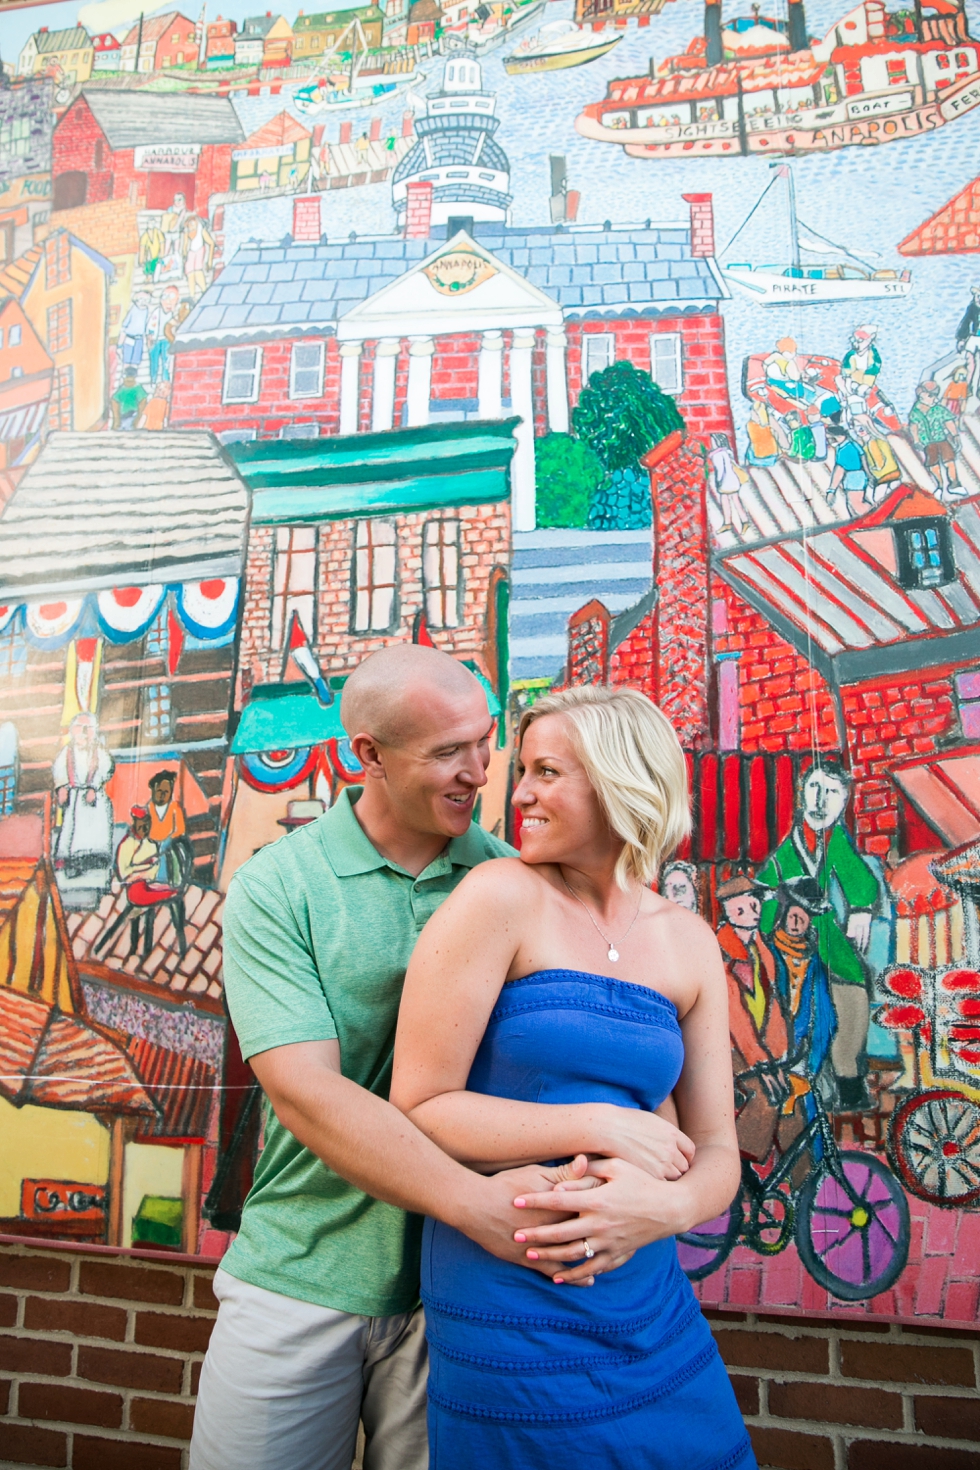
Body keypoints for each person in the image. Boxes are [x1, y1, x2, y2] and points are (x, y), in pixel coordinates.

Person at [191, 649, 693, 1470]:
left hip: (462, 1295)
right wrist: (471, 1202)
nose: (479, 772)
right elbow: (305, 1092)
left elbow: (612, 1054)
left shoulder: (516, 877)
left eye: (484, 742)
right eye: (445, 753)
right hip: (305, 1271)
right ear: (369, 756)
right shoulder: (279, 886)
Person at [390, 685, 753, 1469]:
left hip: (649, 1295)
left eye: (545, 771)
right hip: (509, 1288)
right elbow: (419, 1105)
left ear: (620, 782)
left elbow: (719, 1150)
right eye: (521, 770)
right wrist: (598, 1124)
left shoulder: (688, 942)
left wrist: (665, 1210)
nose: (516, 792)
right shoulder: (498, 899)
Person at [756, 759, 878, 1112]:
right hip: (788, 949)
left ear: (844, 801)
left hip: (829, 943)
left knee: (853, 997)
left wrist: (861, 909)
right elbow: (763, 903)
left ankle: (849, 1083)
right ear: (802, 795)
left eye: (833, 792)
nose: (821, 800)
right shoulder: (783, 855)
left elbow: (861, 880)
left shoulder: (834, 840)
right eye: (814, 788)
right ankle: (800, 1086)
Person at [716, 873, 796, 1165]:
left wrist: (779, 1055)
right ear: (727, 911)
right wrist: (761, 1062)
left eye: (754, 905)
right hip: (728, 1050)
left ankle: (802, 1180)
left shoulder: (763, 951)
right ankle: (735, 1173)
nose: (751, 911)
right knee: (764, 1098)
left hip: (761, 1050)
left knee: (792, 1101)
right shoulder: (720, 952)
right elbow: (734, 1017)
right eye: (742, 907)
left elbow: (773, 1007)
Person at [52, 712, 115, 908]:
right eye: (80, 728)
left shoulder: (98, 752)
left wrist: (94, 786)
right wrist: (61, 786)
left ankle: (93, 862)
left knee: (93, 830)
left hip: (93, 799)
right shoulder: (67, 752)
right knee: (72, 830)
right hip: (74, 798)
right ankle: (72, 864)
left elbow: (107, 767)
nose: (84, 733)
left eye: (88, 729)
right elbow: (59, 770)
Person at [908, 380, 963, 498]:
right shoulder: (915, 412)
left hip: (942, 440)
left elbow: (948, 422)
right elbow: (914, 427)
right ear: (922, 395)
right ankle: (940, 486)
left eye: (934, 395)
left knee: (950, 462)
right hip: (928, 443)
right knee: (933, 465)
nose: (934, 399)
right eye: (931, 395)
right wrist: (916, 440)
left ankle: (954, 485)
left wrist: (955, 435)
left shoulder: (938, 409)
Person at [708, 430, 749, 535]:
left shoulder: (717, 455)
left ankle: (728, 522)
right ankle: (744, 521)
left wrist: (718, 482)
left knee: (725, 501)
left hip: (725, 482)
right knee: (735, 501)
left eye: (713, 441)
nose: (711, 443)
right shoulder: (727, 451)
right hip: (733, 480)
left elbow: (720, 471)